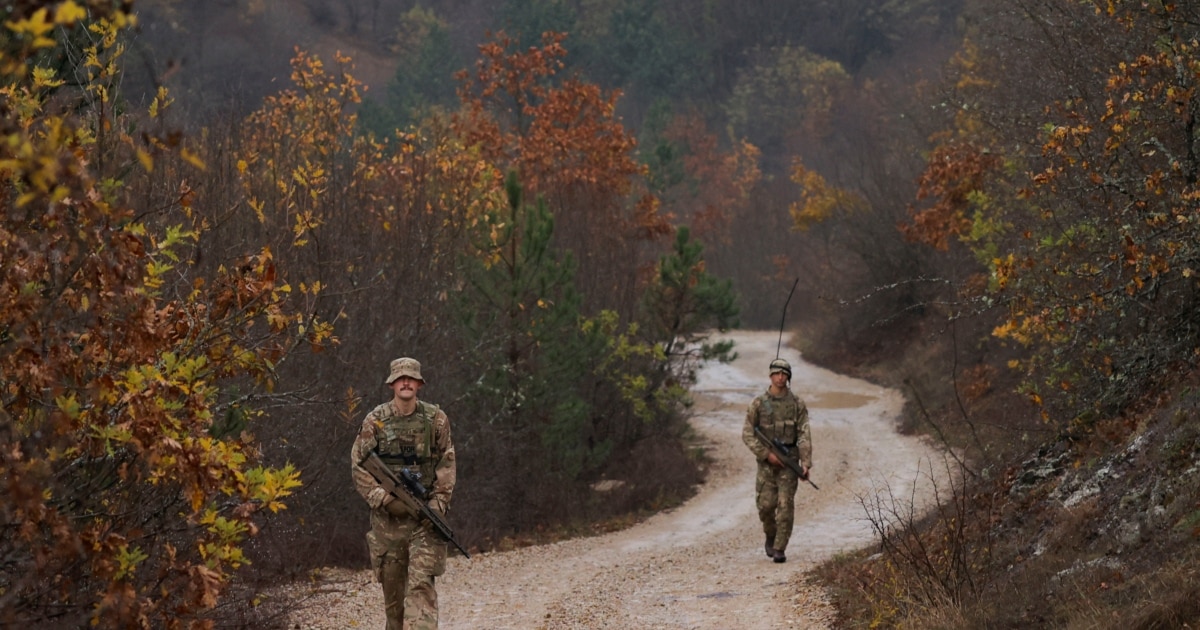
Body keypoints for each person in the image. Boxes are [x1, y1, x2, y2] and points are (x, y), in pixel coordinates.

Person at [351, 357, 456, 629]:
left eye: (411, 378)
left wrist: (437, 504)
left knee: (420, 588)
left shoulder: (436, 419)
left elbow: (447, 463)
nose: (406, 382)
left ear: (419, 384)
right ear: (392, 384)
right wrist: (383, 498)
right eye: (400, 378)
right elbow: (358, 465)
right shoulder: (375, 421)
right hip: (388, 525)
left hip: (424, 520)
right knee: (394, 607)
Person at [742, 358, 811, 564]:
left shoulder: (797, 404)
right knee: (765, 506)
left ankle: (780, 548)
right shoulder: (758, 404)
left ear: (789, 377)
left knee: (785, 506)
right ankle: (770, 536)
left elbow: (804, 434)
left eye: (784, 374)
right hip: (766, 464)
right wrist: (766, 454)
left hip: (789, 461)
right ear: (770, 375)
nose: (781, 377)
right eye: (777, 373)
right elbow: (747, 434)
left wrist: (805, 462)